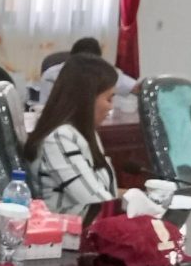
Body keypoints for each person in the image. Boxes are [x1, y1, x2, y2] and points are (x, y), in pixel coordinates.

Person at [23, 54, 119, 209]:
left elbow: (106, 192)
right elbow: (96, 200)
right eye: (109, 99)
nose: (111, 107)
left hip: (92, 221)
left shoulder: (86, 133)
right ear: (88, 99)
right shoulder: (59, 138)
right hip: (68, 224)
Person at [39, 37, 138, 104]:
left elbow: (137, 88)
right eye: (81, 65)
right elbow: (45, 111)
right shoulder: (51, 77)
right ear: (71, 60)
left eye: (91, 66)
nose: (86, 71)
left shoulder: (104, 72)